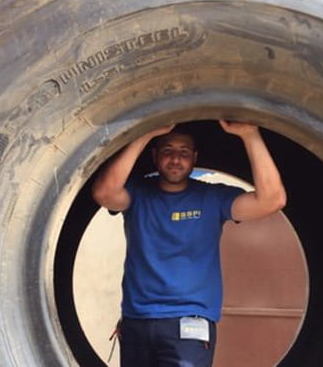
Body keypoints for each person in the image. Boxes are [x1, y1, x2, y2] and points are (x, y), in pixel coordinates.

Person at [92, 120, 286, 367]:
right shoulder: (138, 194)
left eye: (184, 152)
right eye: (167, 151)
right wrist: (143, 134)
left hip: (190, 322)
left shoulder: (213, 197)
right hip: (137, 320)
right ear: (154, 156)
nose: (175, 159)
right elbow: (104, 193)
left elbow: (272, 200)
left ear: (194, 158)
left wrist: (250, 135)